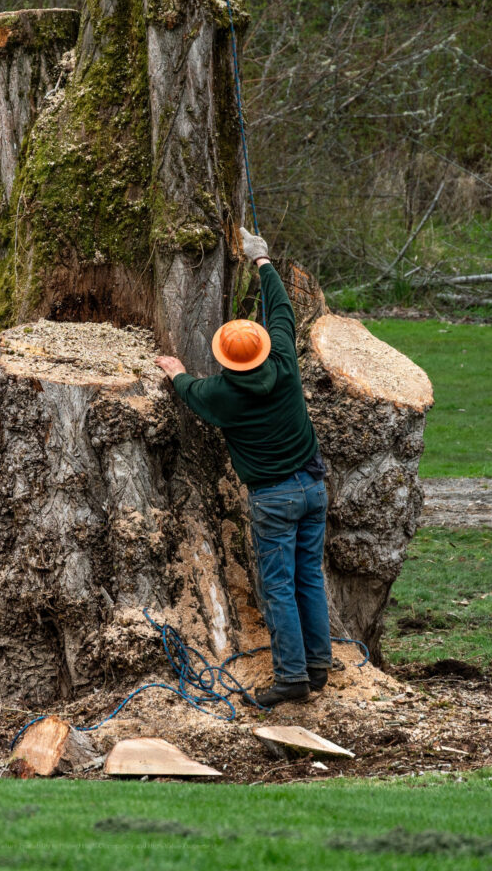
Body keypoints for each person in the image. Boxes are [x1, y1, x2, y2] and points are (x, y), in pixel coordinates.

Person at [154, 227, 332, 706]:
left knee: (279, 588)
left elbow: (189, 390)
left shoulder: (222, 395)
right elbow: (282, 311)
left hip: (274, 499)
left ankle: (292, 678)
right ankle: (318, 666)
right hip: (314, 486)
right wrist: (262, 260)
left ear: (227, 362)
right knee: (308, 578)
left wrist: (175, 371)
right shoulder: (284, 361)